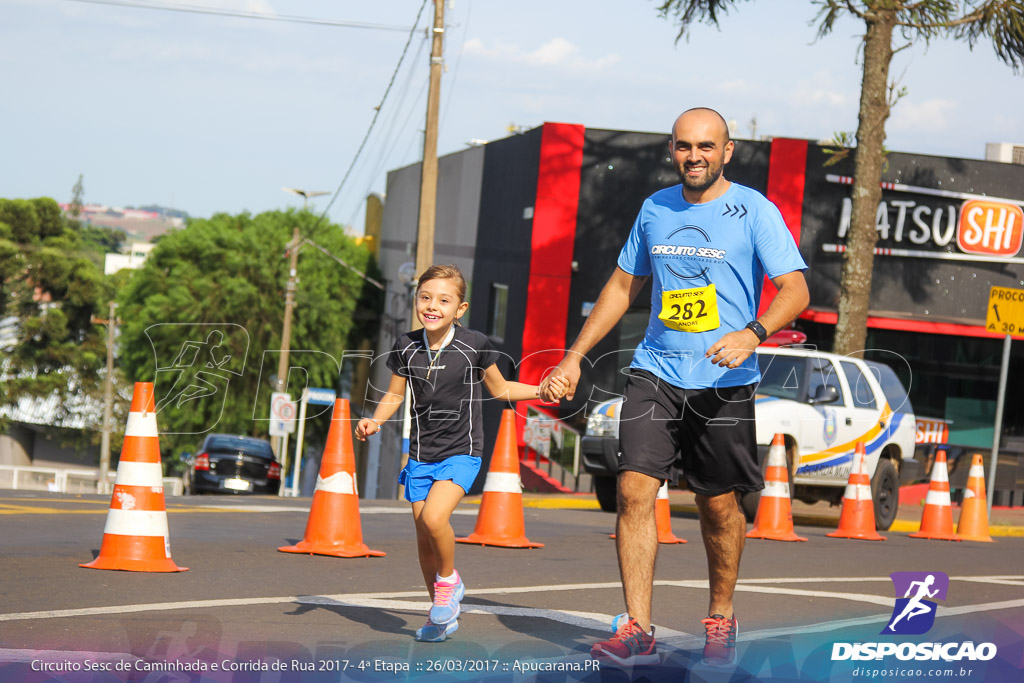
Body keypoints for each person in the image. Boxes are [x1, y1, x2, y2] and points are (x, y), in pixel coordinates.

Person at [541, 108, 809, 667]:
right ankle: (637, 625)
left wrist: (752, 333)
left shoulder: (755, 211)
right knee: (635, 490)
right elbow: (622, 284)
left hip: (725, 380)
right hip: (656, 370)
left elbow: (795, 290)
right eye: (685, 147)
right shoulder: (655, 208)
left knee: (718, 508)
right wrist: (573, 357)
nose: (695, 157)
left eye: (706, 147)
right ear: (672, 150)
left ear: (727, 151)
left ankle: (721, 612)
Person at [356, 264, 567, 643]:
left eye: (443, 300)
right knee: (423, 538)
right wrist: (374, 421)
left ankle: (450, 581)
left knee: (436, 518)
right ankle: (440, 616)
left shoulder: (474, 345)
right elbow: (393, 395)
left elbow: (501, 390)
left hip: (461, 451)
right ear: (416, 300)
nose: (432, 306)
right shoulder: (405, 346)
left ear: (460, 308)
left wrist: (541, 390)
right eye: (425, 297)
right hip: (421, 454)